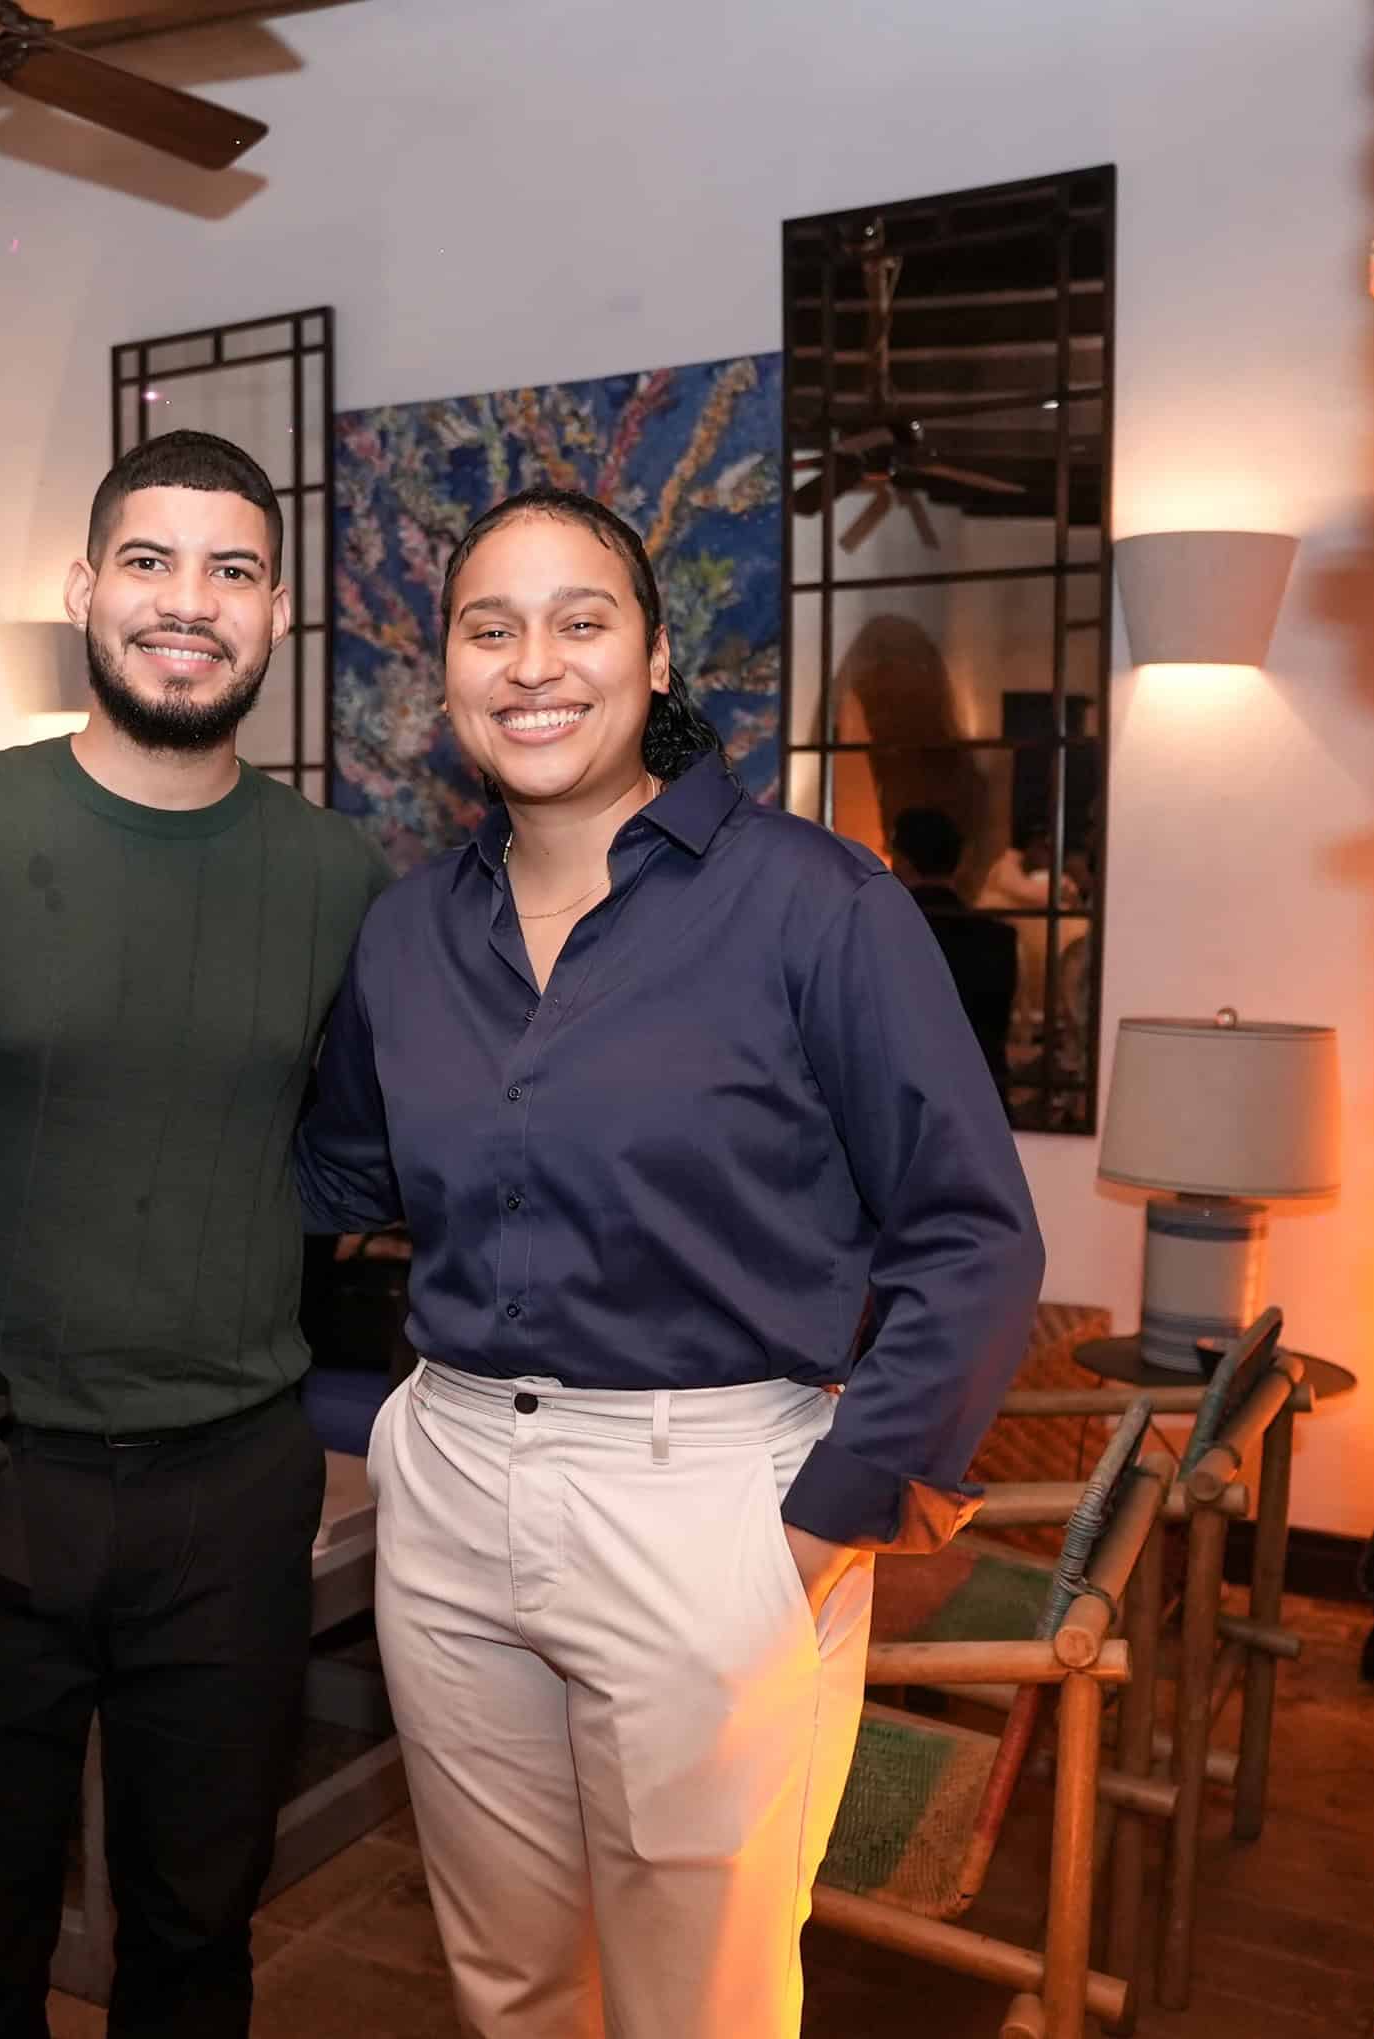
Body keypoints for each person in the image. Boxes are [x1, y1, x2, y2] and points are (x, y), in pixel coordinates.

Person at [295, 487, 1042, 2039]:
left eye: (582, 620)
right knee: (509, 1981)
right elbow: (339, 1173)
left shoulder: (815, 904)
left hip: (712, 1499)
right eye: (488, 628)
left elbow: (971, 1234)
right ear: (444, 674)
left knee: (695, 2003)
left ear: (651, 657)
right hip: (444, 1493)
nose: (533, 662)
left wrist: (825, 1524)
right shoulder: (410, 932)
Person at [0, 429, 390, 2039]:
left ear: (278, 615)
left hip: (233, 1483)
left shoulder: (340, 874)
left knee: (195, 1930)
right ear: (86, 591)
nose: (189, 603)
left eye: (231, 569)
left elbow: (371, 1145)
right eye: (151, 563)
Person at [888, 804, 1019, 1087]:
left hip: (904, 1103)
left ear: (902, 862)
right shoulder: (998, 937)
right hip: (984, 1099)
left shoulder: (881, 933)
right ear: (959, 863)